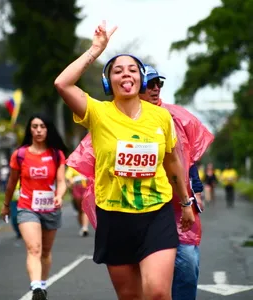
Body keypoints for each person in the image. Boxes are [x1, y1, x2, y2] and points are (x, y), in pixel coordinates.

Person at [55, 20, 195, 300]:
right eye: (118, 70)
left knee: (157, 292)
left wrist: (185, 202)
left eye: (133, 69)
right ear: (109, 81)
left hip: (156, 213)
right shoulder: (97, 112)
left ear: (141, 78)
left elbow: (172, 163)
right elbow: (62, 83)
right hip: (114, 216)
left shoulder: (161, 117)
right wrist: (96, 50)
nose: (126, 74)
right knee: (131, 296)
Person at [67, 64, 214, 300]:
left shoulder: (168, 117)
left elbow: (183, 160)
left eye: (159, 84)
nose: (156, 89)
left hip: (164, 208)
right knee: (133, 292)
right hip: (119, 212)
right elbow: (96, 164)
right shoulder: (104, 117)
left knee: (181, 268)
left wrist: (191, 194)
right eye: (152, 84)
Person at [1, 113, 67, 300]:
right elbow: (11, 183)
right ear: (29, 129)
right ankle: (36, 286)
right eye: (35, 126)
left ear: (48, 129)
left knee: (45, 252)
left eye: (42, 126)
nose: (38, 130)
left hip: (50, 208)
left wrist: (59, 196)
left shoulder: (56, 154)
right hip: (27, 207)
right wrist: (6, 205)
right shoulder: (20, 155)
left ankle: (42, 286)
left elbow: (61, 181)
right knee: (34, 248)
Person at [65, 166, 90, 236]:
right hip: (76, 188)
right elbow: (68, 176)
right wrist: (71, 180)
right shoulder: (73, 166)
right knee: (80, 210)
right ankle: (82, 227)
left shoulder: (88, 163)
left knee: (84, 209)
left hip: (86, 187)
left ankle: (85, 227)